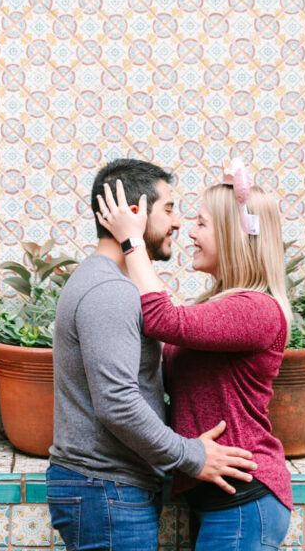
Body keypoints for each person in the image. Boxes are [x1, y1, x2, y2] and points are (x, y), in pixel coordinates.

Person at [47, 157, 258, 551]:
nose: (178, 223)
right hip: (106, 489)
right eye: (169, 209)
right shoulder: (110, 292)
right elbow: (117, 404)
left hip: (108, 489)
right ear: (135, 214)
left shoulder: (110, 283)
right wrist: (191, 455)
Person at [97, 159, 293, 551]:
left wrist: (131, 241)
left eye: (202, 224)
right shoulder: (220, 305)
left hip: (242, 499)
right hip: (220, 500)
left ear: (233, 235)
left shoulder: (257, 309)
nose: (190, 232)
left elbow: (161, 318)